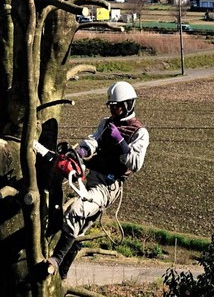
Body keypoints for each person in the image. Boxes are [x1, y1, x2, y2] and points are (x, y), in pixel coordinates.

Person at [48, 81, 150, 279]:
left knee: (77, 211)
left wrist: (121, 142)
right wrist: (83, 149)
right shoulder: (106, 123)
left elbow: (135, 163)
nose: (113, 110)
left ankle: (56, 260)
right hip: (93, 173)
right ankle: (63, 274)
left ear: (128, 104)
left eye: (117, 106)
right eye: (111, 106)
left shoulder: (139, 133)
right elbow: (95, 139)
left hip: (108, 185)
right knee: (82, 225)